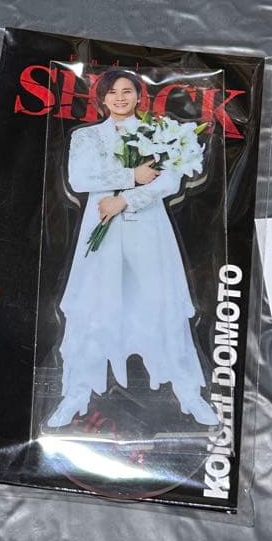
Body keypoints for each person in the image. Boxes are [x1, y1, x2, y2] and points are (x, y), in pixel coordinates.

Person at [46, 69, 219, 429]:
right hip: (102, 228)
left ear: (139, 95)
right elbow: (80, 178)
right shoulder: (86, 136)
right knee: (92, 306)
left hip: (150, 231)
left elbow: (169, 182)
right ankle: (75, 394)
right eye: (112, 92)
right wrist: (130, 177)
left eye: (127, 91)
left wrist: (124, 200)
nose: (120, 98)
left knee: (163, 304)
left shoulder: (159, 131)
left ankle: (189, 394)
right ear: (102, 99)